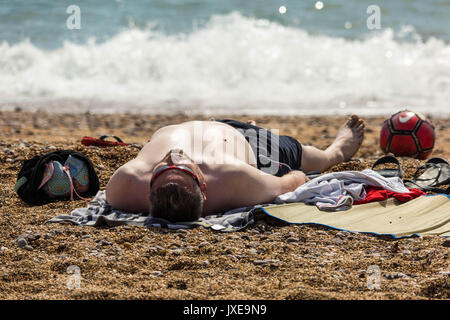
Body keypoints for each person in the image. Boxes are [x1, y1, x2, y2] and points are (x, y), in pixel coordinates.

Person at [105, 115, 365, 222]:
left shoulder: (125, 184)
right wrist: (262, 176)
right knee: (300, 155)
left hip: (204, 126)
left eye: (163, 166)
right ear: (204, 184)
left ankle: (245, 125)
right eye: (183, 166)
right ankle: (336, 150)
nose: (174, 156)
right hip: (250, 143)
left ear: (149, 184)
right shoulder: (232, 177)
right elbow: (295, 180)